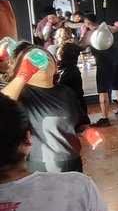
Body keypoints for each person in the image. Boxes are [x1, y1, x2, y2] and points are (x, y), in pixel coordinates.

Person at [1, 42, 92, 172]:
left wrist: (87, 132)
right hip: (39, 165)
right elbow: (3, 103)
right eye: (31, 61)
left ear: (56, 68)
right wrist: (23, 75)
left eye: (47, 59)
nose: (40, 63)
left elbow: (78, 124)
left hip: (72, 161)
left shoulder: (66, 92)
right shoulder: (21, 94)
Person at [80, 14, 118, 126]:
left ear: (87, 23)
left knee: (102, 90)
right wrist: (115, 24)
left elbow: (81, 46)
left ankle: (104, 117)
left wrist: (81, 37)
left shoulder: (90, 34)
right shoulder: (108, 28)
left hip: (103, 63)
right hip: (115, 61)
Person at [51, 27, 88, 117]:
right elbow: (82, 46)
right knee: (79, 97)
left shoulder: (52, 48)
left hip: (60, 76)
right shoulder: (74, 47)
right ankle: (83, 118)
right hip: (75, 74)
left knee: (63, 98)